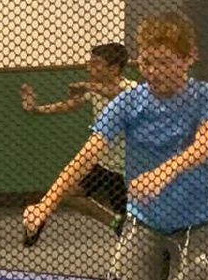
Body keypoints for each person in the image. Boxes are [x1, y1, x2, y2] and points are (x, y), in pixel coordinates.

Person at [23, 14, 208, 280]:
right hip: (144, 222)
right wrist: (46, 204)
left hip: (197, 224)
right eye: (147, 62)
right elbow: (87, 155)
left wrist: (162, 173)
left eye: (164, 62)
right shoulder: (129, 102)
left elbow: (205, 144)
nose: (154, 71)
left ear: (189, 58)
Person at [19, 42, 134, 236]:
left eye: (96, 63)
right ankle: (115, 223)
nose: (89, 68)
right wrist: (36, 109)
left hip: (126, 170)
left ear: (114, 69)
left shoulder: (130, 88)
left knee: (135, 223)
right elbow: (68, 105)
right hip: (102, 164)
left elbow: (120, 95)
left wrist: (88, 86)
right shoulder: (94, 90)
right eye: (90, 62)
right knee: (67, 194)